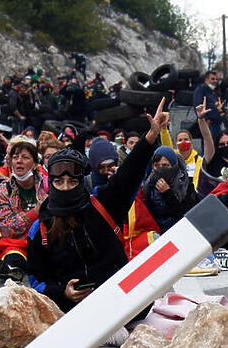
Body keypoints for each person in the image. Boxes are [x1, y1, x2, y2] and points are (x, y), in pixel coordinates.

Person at [27, 98, 170, 315]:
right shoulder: (40, 229)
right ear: (51, 184)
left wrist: (150, 137)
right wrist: (62, 293)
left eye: (72, 182)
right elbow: (37, 279)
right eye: (59, 182)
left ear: (80, 182)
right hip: (72, 310)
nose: (65, 187)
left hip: (118, 303)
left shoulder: (103, 207)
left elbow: (128, 175)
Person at [0, 136, 49, 280]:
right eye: (15, 157)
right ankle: (12, 270)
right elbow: (6, 228)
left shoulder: (47, 184)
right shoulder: (3, 190)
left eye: (25, 157)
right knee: (13, 253)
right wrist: (34, 213)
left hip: (45, 239)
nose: (19, 161)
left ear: (34, 163)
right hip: (18, 243)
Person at [141, 146, 199, 233]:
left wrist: (167, 193)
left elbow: (186, 216)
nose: (161, 169)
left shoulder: (185, 184)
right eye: (157, 166)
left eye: (165, 165)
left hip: (180, 231)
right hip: (156, 233)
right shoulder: (149, 184)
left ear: (173, 165)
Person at [197, 97, 228, 182]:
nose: (226, 145)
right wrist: (201, 119)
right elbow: (207, 138)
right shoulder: (213, 159)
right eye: (222, 144)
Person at [192, 71, 223, 138]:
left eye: (216, 79)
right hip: (209, 124)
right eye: (212, 79)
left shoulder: (215, 91)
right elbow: (197, 105)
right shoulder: (200, 90)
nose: (215, 81)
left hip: (217, 124)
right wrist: (205, 120)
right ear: (206, 80)